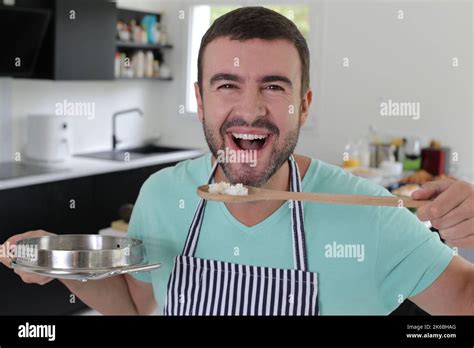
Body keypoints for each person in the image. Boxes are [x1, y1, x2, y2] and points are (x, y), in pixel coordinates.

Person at [1, 7, 473, 315]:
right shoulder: (162, 194)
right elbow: (141, 307)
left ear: (304, 105)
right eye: (227, 85)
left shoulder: (370, 214)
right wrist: (63, 260)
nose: (250, 110)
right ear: (201, 100)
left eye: (273, 86)